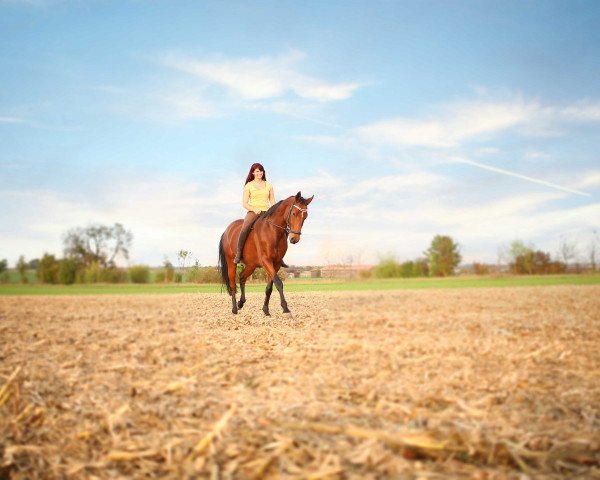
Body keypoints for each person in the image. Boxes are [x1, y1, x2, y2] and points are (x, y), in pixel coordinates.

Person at [234, 163, 275, 265]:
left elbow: (272, 200)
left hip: (267, 212)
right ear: (253, 172)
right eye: (257, 171)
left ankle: (279, 255)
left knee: (280, 227)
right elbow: (244, 203)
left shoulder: (269, 185)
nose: (259, 173)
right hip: (254, 212)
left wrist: (274, 210)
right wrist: (254, 209)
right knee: (244, 228)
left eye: (261, 171)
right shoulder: (249, 186)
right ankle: (239, 253)